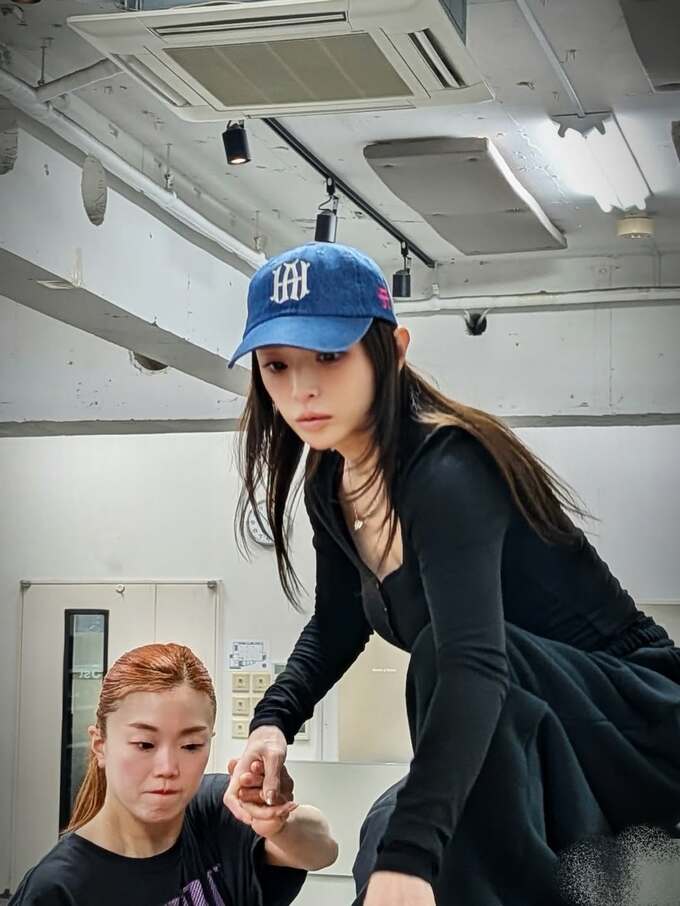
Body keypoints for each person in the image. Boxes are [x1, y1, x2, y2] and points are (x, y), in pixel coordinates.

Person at [224, 241, 680, 905]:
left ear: (394, 350)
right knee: (382, 839)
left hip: (634, 725)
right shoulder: (330, 481)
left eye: (329, 355)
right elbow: (337, 623)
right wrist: (271, 724)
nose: (301, 390)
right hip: (525, 731)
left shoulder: (448, 468)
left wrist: (412, 857)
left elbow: (473, 665)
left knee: (414, 824)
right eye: (277, 365)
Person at [10, 642, 338, 906]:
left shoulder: (214, 811)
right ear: (100, 745)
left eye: (191, 746)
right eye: (144, 744)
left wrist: (278, 823)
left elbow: (323, 849)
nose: (168, 768)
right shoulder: (57, 888)